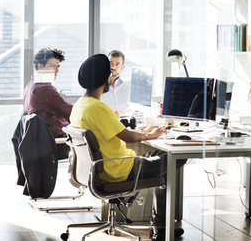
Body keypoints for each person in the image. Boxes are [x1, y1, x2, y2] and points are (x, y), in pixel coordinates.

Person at [70, 54, 184, 239]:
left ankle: (162, 223)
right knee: (176, 156)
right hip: (121, 169)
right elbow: (129, 137)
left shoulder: (80, 106)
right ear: (104, 79)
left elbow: (116, 131)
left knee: (159, 154)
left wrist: (145, 132)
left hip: (102, 169)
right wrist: (151, 134)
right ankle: (162, 226)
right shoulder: (97, 108)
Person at [23, 47, 72, 138]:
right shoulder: (45, 89)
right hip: (56, 141)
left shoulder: (30, 85)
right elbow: (71, 112)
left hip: (43, 141)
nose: (57, 70)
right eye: (52, 66)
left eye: (58, 66)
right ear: (40, 66)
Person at [101, 50, 131, 116]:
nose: (113, 67)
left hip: (127, 121)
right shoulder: (98, 87)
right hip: (107, 121)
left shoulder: (129, 85)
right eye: (110, 63)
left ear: (122, 67)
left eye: (117, 64)